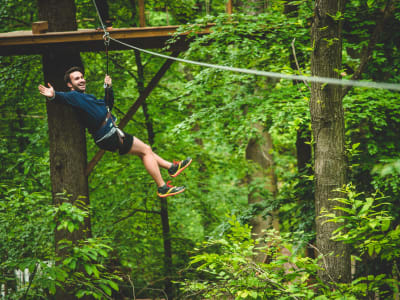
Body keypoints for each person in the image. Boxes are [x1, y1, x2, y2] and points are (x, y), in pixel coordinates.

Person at [38, 66, 192, 197]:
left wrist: (108, 88)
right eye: (77, 79)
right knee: (145, 150)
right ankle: (162, 187)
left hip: (109, 134)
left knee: (145, 151)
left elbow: (107, 106)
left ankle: (171, 168)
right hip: (108, 135)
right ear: (70, 84)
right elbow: (63, 97)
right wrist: (54, 95)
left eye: (82, 77)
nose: (82, 80)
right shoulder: (73, 96)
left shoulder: (86, 98)